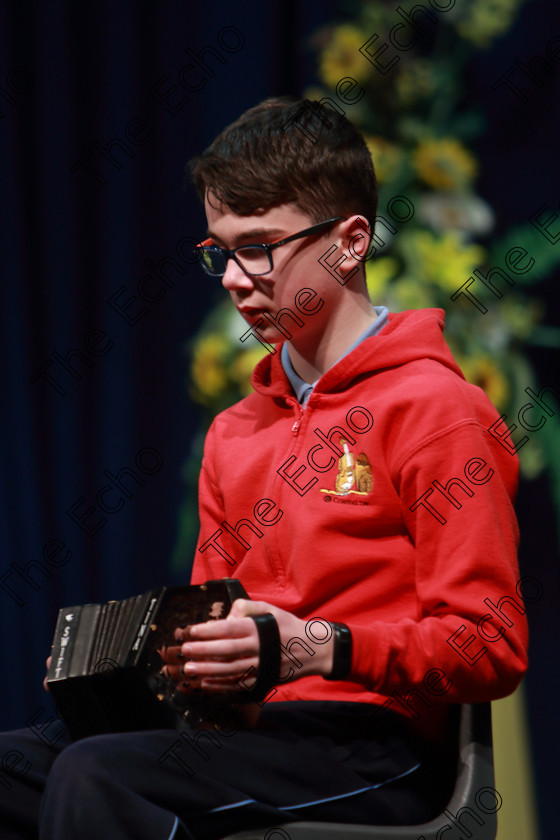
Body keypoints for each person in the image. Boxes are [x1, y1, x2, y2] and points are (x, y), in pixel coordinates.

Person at [0, 97, 528, 840]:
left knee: (100, 778)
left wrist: (315, 645)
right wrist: (154, 669)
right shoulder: (235, 430)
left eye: (259, 248)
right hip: (247, 740)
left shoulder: (439, 409)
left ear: (349, 243)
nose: (233, 279)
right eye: (220, 251)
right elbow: (215, 635)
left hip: (376, 750)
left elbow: (489, 646)